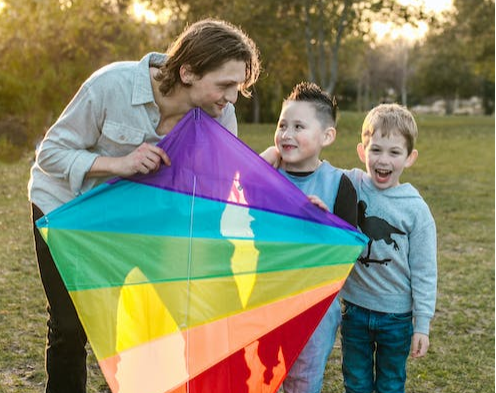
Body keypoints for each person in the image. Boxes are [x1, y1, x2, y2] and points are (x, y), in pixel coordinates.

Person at [27, 18, 261, 393]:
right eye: (226, 85)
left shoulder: (219, 114)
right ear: (187, 72)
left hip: (134, 221)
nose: (232, 97)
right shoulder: (112, 85)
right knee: (71, 327)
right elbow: (50, 154)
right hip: (65, 209)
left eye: (238, 87)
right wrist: (118, 165)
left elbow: (222, 182)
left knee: (132, 324)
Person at [261, 81, 357, 393]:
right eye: (282, 125)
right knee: (262, 378)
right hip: (264, 300)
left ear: (327, 136)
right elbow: (234, 203)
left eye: (299, 126)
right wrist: (262, 162)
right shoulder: (267, 177)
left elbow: (347, 255)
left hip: (314, 309)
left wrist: (324, 224)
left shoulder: (339, 184)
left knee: (303, 381)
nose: (286, 134)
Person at [339, 103, 437, 393]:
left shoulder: (416, 210)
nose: (384, 160)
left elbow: (424, 270)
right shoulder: (352, 183)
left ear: (409, 158)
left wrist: (422, 324)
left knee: (390, 383)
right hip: (355, 310)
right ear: (362, 152)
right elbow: (316, 172)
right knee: (355, 382)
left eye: (394, 152)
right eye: (376, 150)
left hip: (396, 318)